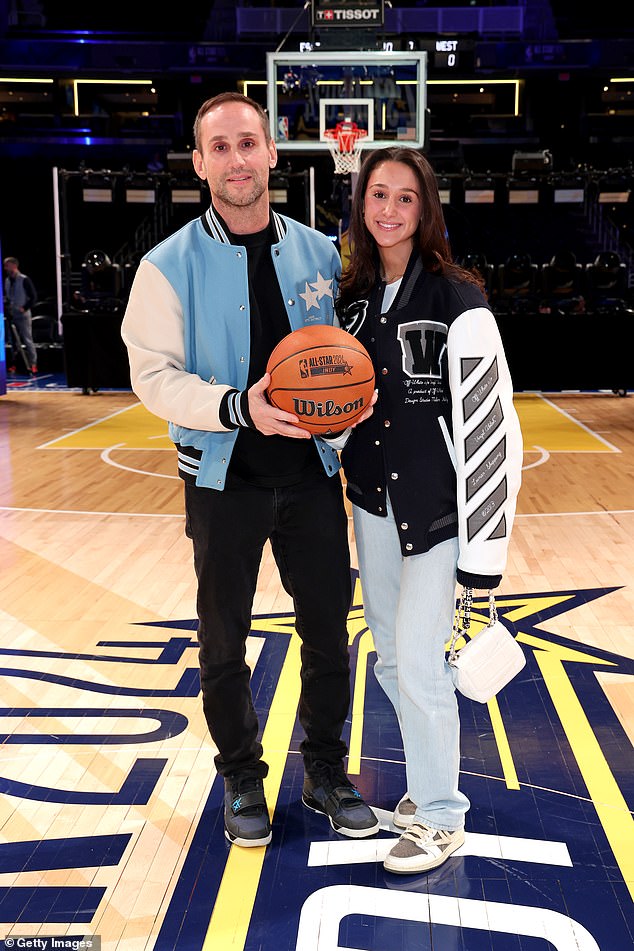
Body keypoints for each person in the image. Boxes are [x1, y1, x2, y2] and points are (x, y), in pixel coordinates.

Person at [120, 92, 379, 849]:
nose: (238, 159)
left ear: (272, 154)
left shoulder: (321, 253)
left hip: (309, 474)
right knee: (223, 640)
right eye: (220, 147)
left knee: (329, 632)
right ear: (200, 164)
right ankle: (241, 775)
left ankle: (326, 771)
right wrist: (239, 406)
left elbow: (348, 352)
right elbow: (153, 376)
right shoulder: (164, 266)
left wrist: (351, 403)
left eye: (249, 143)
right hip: (224, 477)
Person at [332, 147, 523, 875]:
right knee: (391, 661)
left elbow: (489, 424)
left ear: (425, 209)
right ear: (361, 203)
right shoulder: (350, 301)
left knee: (418, 660)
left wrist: (485, 562)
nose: (388, 209)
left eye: (404, 198)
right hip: (372, 506)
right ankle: (424, 788)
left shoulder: (458, 297)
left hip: (439, 514)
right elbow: (341, 411)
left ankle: (443, 815)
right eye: (377, 194)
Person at [3, 256, 38, 374]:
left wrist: (25, 307)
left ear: (14, 265)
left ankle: (33, 364)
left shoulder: (24, 279)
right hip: (12, 314)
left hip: (23, 314)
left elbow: (33, 297)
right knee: (13, 342)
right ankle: (15, 364)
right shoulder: (7, 281)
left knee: (27, 339)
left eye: (7, 265)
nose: (5, 268)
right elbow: (8, 297)